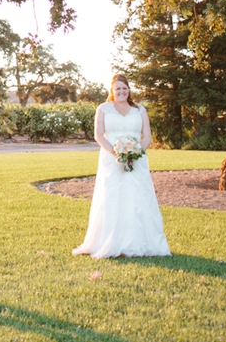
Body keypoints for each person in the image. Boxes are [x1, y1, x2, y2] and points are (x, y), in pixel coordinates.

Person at [72, 72, 170, 259]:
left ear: (129, 90)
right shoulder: (103, 109)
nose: (121, 91)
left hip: (137, 160)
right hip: (111, 160)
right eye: (118, 88)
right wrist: (117, 153)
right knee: (112, 197)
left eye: (125, 88)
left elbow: (147, 136)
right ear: (112, 90)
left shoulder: (139, 110)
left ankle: (140, 242)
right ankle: (109, 242)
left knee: (137, 197)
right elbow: (99, 136)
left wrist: (136, 153)